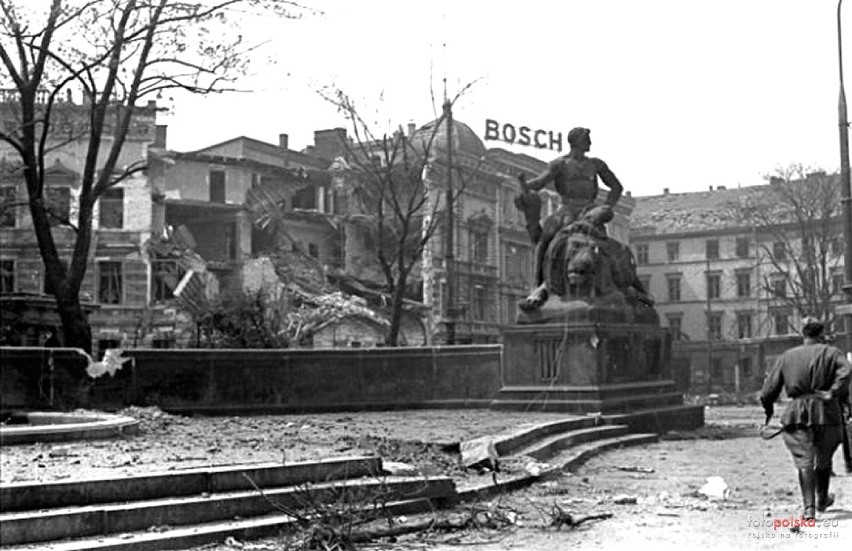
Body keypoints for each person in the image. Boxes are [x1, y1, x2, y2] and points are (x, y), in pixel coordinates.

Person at [514, 127, 623, 310]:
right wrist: (524, 189)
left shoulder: (596, 164)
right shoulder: (559, 164)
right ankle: (538, 286)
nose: (590, 143)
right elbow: (539, 183)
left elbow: (616, 187)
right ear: (577, 141)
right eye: (587, 139)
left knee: (606, 246)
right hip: (566, 210)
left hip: (590, 211)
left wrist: (606, 207)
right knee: (545, 239)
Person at [760, 317, 851, 521]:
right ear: (821, 334)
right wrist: (833, 392)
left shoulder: (787, 356)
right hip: (826, 412)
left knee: (804, 461)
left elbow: (768, 391)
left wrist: (768, 410)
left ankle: (809, 509)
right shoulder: (832, 352)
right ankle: (821, 500)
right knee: (825, 458)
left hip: (797, 412)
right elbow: (847, 371)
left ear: (803, 334)